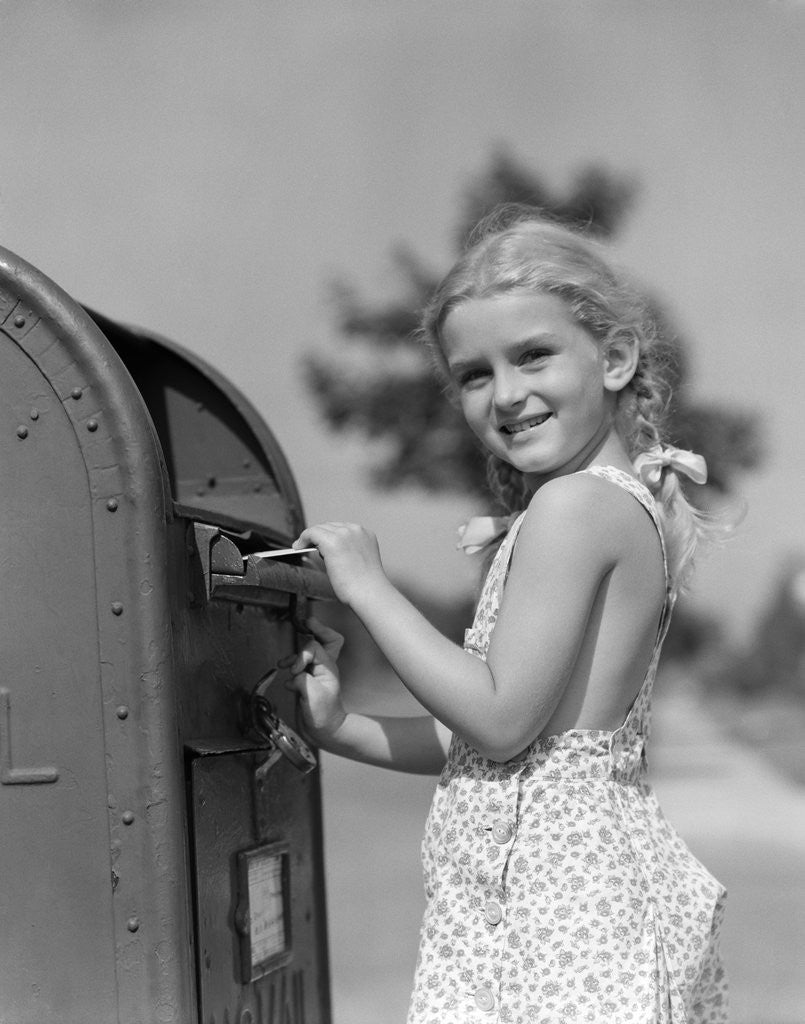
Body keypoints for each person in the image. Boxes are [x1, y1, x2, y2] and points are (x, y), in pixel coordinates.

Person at [289, 208, 728, 1023]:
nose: (506, 394)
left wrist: (368, 588)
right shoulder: (594, 506)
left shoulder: (573, 508)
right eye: (473, 375)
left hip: (559, 934)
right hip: (566, 925)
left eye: (532, 355)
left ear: (614, 358)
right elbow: (502, 749)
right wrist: (342, 727)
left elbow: (497, 721)